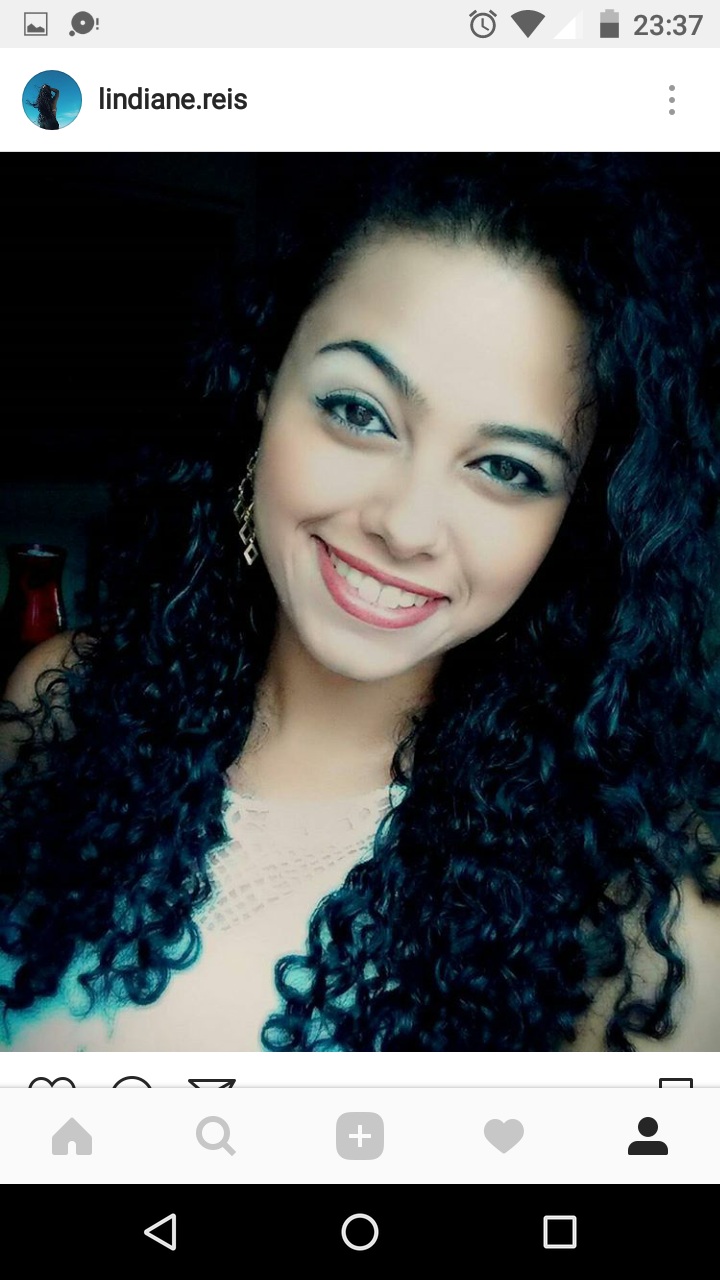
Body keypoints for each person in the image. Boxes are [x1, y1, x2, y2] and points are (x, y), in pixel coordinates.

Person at [1, 153, 719, 1052]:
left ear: (570, 522)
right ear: (264, 391)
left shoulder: (643, 920)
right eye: (359, 412)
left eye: (507, 468)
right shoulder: (61, 704)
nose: (406, 526)